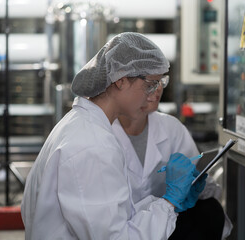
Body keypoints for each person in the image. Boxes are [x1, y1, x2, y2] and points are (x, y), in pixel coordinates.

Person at [21, 32, 205, 239]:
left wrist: (166, 201)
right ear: (121, 80)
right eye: (149, 84)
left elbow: (116, 214)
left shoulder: (81, 125)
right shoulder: (93, 146)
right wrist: (169, 202)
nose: (153, 94)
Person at [112, 75, 232, 239]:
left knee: (210, 210)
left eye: (162, 81)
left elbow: (209, 190)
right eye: (151, 82)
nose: (159, 88)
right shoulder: (104, 136)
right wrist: (171, 198)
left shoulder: (171, 128)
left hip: (166, 227)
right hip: (122, 232)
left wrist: (195, 188)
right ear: (122, 83)